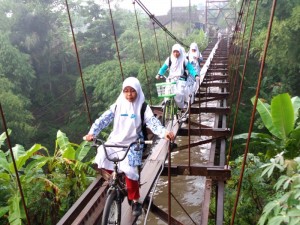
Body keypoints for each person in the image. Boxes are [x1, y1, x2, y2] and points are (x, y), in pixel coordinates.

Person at [84, 77, 175, 217]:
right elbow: (104, 119)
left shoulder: (143, 107)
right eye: (126, 91)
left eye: (132, 91)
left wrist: (164, 133)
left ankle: (135, 201)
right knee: (101, 154)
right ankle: (115, 177)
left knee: (130, 170)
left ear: (138, 91)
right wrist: (92, 133)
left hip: (133, 143)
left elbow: (153, 123)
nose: (129, 94)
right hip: (116, 140)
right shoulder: (118, 105)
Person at [156, 43, 199, 109]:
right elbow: (163, 68)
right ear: (172, 52)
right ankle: (166, 103)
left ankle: (181, 107)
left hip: (180, 79)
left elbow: (191, 69)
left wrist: (195, 75)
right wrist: (159, 74)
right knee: (167, 91)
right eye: (174, 52)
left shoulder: (184, 60)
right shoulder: (169, 59)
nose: (175, 54)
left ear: (180, 52)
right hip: (171, 78)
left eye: (177, 52)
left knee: (179, 94)